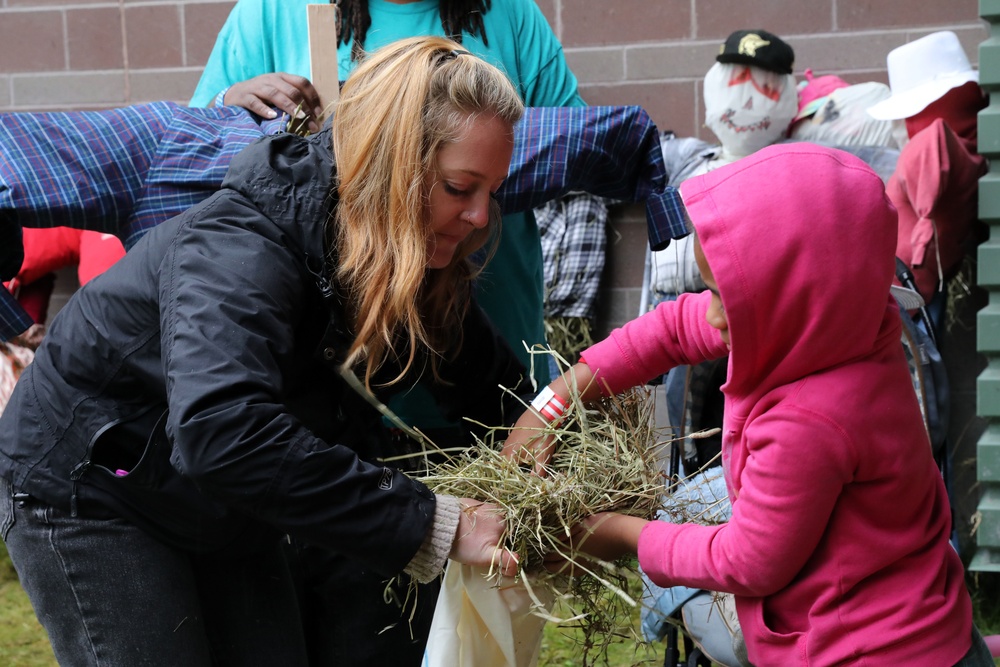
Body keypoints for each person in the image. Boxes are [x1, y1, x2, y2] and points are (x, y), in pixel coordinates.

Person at [0, 37, 532, 666]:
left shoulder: (403, 248)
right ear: (389, 166)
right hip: (97, 484)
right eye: (457, 187)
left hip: (219, 490)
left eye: (491, 189)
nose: (478, 214)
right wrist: (433, 524)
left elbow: (490, 384)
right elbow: (222, 431)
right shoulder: (238, 247)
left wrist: (557, 433)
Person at [504, 143, 993, 666]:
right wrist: (556, 400)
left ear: (793, 296)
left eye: (724, 297)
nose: (712, 315)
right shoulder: (838, 323)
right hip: (923, 623)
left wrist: (625, 534)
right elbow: (673, 328)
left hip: (868, 652)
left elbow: (749, 561)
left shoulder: (810, 421)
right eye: (715, 292)